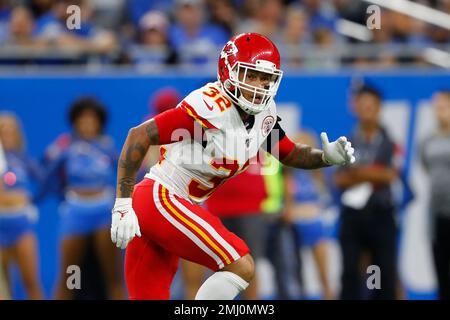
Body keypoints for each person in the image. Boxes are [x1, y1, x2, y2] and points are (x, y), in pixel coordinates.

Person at [110, 32, 355, 300]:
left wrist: (325, 157)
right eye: (250, 75)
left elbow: (288, 152)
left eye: (265, 79)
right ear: (228, 71)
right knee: (241, 265)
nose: (259, 85)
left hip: (173, 201)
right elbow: (139, 136)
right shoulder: (211, 107)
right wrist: (123, 202)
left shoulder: (263, 114)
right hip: (162, 196)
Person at [43, 97, 123, 299]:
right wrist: (63, 199)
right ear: (75, 123)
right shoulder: (65, 149)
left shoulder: (107, 148)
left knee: (112, 277)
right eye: (83, 120)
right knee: (70, 276)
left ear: (99, 123)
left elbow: (127, 173)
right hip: (75, 213)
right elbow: (47, 177)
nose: (87, 124)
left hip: (104, 214)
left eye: (92, 120)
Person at [334, 84, 400, 300]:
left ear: (379, 108)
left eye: (370, 106)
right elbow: (339, 178)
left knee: (381, 271)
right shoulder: (347, 141)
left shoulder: (389, 141)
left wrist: (358, 172)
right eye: (362, 106)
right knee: (350, 271)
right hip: (353, 216)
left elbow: (391, 175)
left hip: (381, 214)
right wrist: (374, 173)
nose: (366, 111)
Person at [283, 131, 334, 299]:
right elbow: (288, 207)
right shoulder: (287, 176)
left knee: (324, 276)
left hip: (315, 226)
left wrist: (310, 211)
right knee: (294, 274)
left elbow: (325, 202)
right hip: (294, 227)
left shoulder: (318, 175)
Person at [0, 112, 43, 299]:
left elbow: (45, 180)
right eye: (3, 129)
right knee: (3, 286)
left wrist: (28, 199)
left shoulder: (24, 160)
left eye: (12, 129)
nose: (8, 133)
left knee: (31, 282)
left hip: (21, 224)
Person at [421, 90, 450, 300]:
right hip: (438, 212)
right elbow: (426, 168)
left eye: (444, 105)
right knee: (441, 268)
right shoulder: (428, 140)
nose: (439, 111)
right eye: (436, 106)